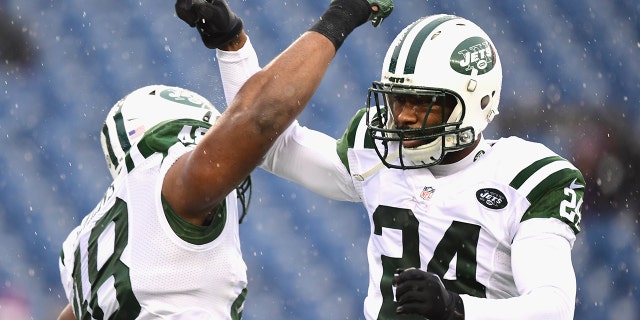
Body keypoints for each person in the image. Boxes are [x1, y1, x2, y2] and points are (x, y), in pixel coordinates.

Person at [214, 12, 585, 320]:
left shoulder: (528, 178)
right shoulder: (379, 153)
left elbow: (553, 307)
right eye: (397, 100)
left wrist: (457, 310)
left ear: (476, 101)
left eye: (422, 103)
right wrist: (233, 46)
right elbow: (266, 144)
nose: (404, 117)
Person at [56, 0, 394, 319]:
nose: (219, 148)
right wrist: (343, 14)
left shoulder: (80, 250)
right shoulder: (171, 185)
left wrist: (233, 44)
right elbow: (259, 120)